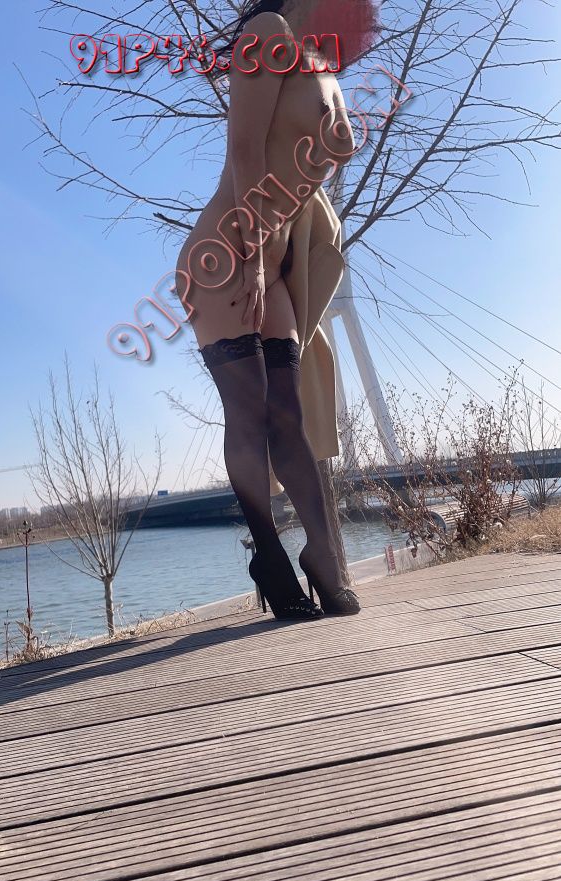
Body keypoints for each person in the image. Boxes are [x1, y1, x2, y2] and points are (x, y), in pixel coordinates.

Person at [176, 0, 377, 619]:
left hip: (273, 262)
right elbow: (245, 151)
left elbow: (306, 174)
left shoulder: (321, 63)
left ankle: (322, 555)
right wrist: (256, 260)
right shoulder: (267, 33)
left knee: (288, 416)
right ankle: (268, 553)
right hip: (227, 254)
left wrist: (283, 261)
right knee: (251, 413)